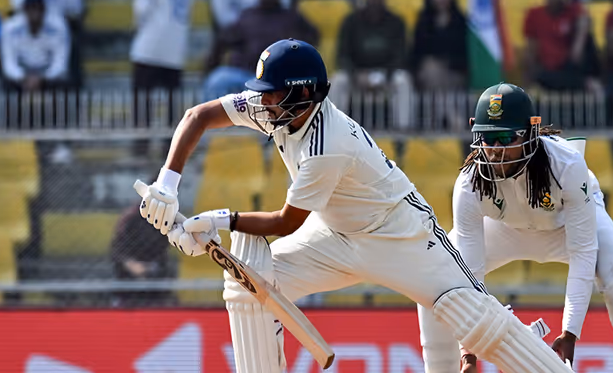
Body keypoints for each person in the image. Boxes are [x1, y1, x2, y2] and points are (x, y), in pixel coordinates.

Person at [140, 42, 578, 373]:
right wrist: (167, 185)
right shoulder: (272, 107)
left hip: (400, 234)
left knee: (478, 323)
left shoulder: (326, 144)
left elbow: (285, 222)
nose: (263, 103)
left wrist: (215, 220)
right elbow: (197, 117)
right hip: (335, 234)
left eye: (273, 95)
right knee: (248, 282)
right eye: (264, 95)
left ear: (304, 94)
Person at [418, 84, 613, 373]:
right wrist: (468, 352)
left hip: (564, 227)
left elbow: (583, 252)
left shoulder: (567, 165)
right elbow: (470, 274)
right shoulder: (469, 183)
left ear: (531, 134)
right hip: (505, 229)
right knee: (437, 279)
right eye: (488, 138)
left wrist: (570, 331)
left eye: (506, 137)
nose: (496, 151)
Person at [203, 0, 318, 98]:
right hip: (243, 73)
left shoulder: (290, 17)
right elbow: (224, 39)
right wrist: (212, 58)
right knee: (216, 81)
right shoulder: (248, 15)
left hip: (274, 78)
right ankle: (211, 117)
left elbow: (313, 36)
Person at [334, 0, 412, 127]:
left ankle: (404, 136)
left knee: (403, 80)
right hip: (357, 75)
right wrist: (356, 75)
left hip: (386, 75)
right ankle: (334, 131)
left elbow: (401, 56)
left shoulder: (396, 22)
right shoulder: (350, 21)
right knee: (338, 80)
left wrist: (383, 76)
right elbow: (342, 56)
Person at [523, 0, 599, 93]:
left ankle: (587, 81)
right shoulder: (534, 14)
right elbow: (531, 49)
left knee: (588, 39)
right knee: (543, 76)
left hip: (570, 67)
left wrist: (578, 45)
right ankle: (585, 83)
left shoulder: (573, 10)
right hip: (548, 71)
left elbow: (584, 20)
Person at [410, 0, 469, 94]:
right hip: (428, 72)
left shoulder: (460, 20)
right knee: (431, 70)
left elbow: (464, 53)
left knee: (439, 74)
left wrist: (446, 64)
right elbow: (417, 52)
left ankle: (443, 111)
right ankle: (448, 112)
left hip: (454, 71)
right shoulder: (423, 21)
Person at [0, 0, 68, 92]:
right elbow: (9, 63)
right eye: (31, 9)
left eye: (38, 9)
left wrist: (42, 79)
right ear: (24, 10)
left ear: (44, 10)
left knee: (64, 82)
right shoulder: (10, 28)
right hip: (22, 72)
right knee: (6, 84)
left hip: (46, 73)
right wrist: (23, 78)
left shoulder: (59, 27)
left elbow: (60, 63)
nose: (34, 13)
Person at [110, 205, 173, 306]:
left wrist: (150, 267)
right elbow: (117, 250)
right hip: (128, 274)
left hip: (154, 273)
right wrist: (131, 264)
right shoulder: (131, 218)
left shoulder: (163, 219)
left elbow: (163, 249)